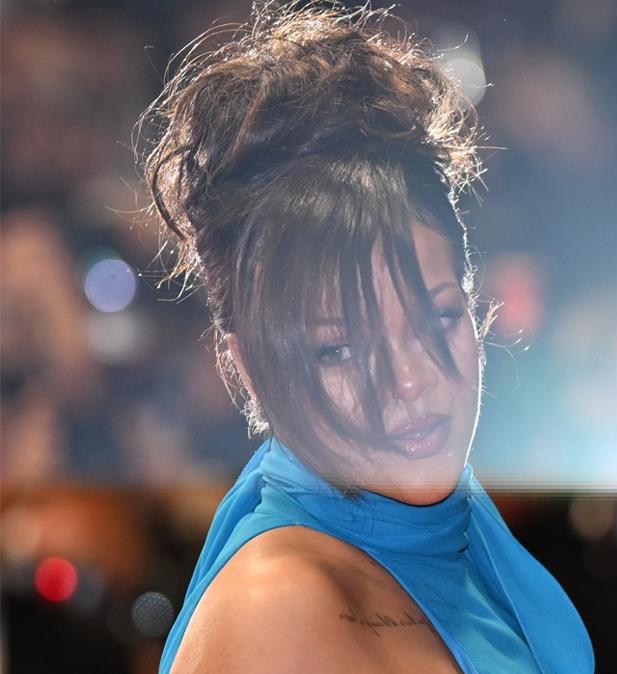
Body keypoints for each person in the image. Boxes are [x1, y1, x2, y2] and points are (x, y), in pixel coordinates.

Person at [141, 4, 593, 672]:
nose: (408, 380)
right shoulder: (277, 608)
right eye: (340, 349)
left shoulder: (463, 527)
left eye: (436, 319)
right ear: (249, 367)